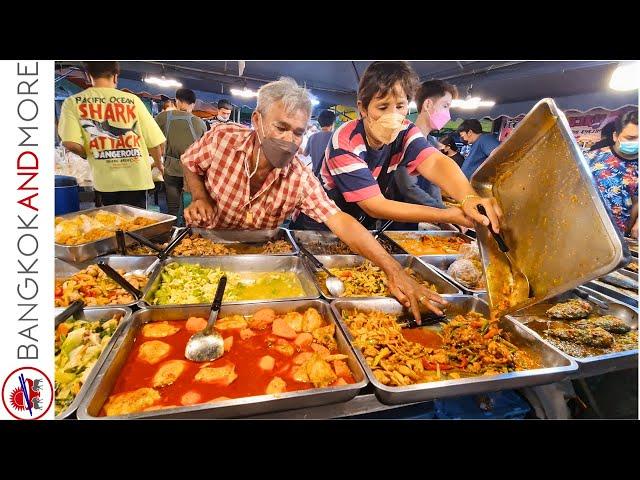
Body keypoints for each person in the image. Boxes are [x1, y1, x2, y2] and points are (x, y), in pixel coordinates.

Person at [181, 77, 446, 321]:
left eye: (298, 132)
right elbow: (190, 163)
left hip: (261, 258)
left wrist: (393, 269)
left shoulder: (298, 175)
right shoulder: (221, 138)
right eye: (281, 127)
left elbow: (340, 220)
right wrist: (200, 197)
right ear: (257, 120)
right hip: (205, 246)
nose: (289, 140)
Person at [317, 61, 502, 232]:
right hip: (321, 224)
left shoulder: (405, 130)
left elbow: (434, 162)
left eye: (400, 106)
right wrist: (444, 215)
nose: (393, 116)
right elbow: (374, 205)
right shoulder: (345, 141)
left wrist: (469, 197)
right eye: (382, 107)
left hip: (358, 226)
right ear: (363, 108)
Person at [58, 61, 165, 209]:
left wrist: (88, 153)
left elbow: (70, 144)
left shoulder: (72, 103)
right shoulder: (133, 100)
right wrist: (159, 165)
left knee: (111, 223)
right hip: (136, 179)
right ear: (115, 76)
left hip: (105, 180)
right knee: (139, 225)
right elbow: (155, 142)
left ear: (89, 76)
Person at [388, 79, 459, 228]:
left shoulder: (432, 143)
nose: (448, 115)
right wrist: (443, 214)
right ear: (428, 105)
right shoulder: (404, 139)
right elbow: (408, 188)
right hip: (396, 219)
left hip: (420, 219)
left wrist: (443, 216)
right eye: (445, 106)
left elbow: (434, 184)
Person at [155, 88, 207, 224]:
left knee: (173, 208)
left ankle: (172, 234)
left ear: (176, 101)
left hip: (170, 169)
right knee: (191, 207)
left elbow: (152, 140)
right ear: (193, 104)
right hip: (192, 172)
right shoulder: (200, 123)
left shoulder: (162, 117)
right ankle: (188, 236)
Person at [587, 110, 638, 237]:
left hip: (619, 238)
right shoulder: (591, 158)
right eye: (631, 138)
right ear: (615, 136)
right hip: (583, 229)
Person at [304, 109, 336, 179]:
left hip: (315, 177)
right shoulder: (335, 137)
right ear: (332, 123)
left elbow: (305, 153)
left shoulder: (311, 137)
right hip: (330, 179)